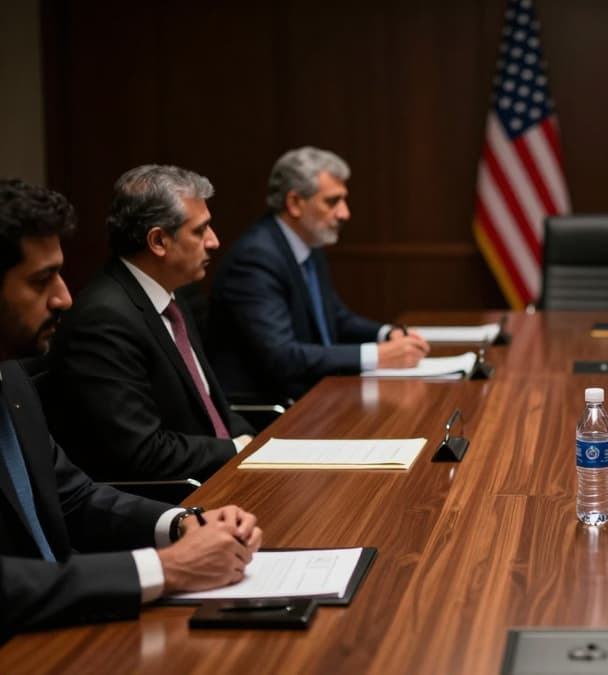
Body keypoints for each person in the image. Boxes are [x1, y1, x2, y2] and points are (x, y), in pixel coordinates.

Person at [0, 178, 262, 639]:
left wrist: (183, 524)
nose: (64, 297)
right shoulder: (100, 318)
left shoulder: (11, 375)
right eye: (42, 280)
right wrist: (164, 569)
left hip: (69, 622)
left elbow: (74, 496)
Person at [47, 166, 254, 482]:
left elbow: (212, 409)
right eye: (200, 231)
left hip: (220, 475)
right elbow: (142, 451)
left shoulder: (173, 293)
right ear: (159, 241)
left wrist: (255, 445)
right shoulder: (104, 320)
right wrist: (236, 449)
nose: (214, 241)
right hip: (176, 499)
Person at [207, 146, 430, 401]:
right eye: (332, 201)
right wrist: (379, 355)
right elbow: (282, 357)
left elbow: (336, 318)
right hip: (273, 409)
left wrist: (386, 334)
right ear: (295, 203)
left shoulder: (307, 243)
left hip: (317, 396)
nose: (345, 213)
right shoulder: (256, 258)